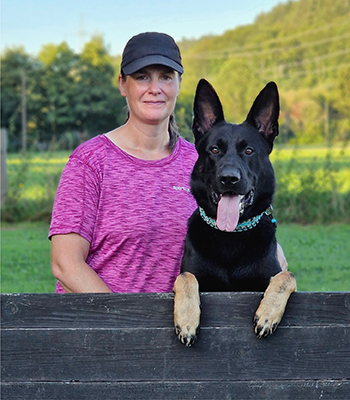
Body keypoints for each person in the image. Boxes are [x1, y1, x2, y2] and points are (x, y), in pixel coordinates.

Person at [49, 32, 287, 294]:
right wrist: (124, 323)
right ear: (122, 85)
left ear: (178, 84)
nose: (155, 88)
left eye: (165, 77)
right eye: (142, 77)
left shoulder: (203, 160)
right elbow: (65, 263)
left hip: (182, 327)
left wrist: (268, 245)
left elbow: (242, 220)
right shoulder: (90, 161)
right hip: (107, 325)